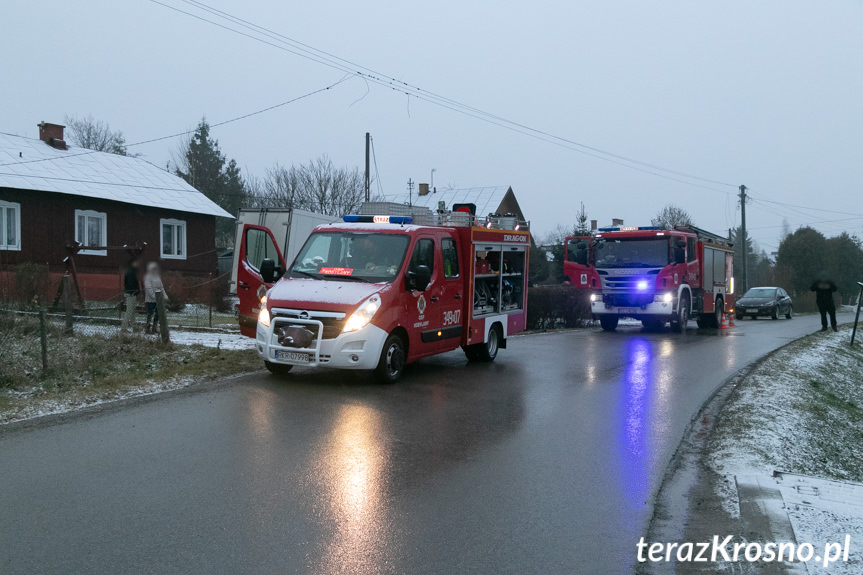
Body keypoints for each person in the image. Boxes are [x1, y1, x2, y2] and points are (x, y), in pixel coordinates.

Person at [143, 262, 167, 334]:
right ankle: (147, 328)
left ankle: (154, 327)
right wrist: (154, 296)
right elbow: (148, 288)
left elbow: (161, 287)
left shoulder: (157, 277)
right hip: (150, 300)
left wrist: (165, 296)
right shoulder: (148, 277)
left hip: (158, 300)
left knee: (158, 314)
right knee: (150, 313)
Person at [122, 258, 140, 333]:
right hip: (130, 293)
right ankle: (124, 327)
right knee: (129, 311)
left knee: (132, 311)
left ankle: (134, 327)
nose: (137, 264)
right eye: (136, 262)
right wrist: (135, 290)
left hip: (131, 293)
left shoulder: (131, 271)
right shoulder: (131, 272)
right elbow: (131, 283)